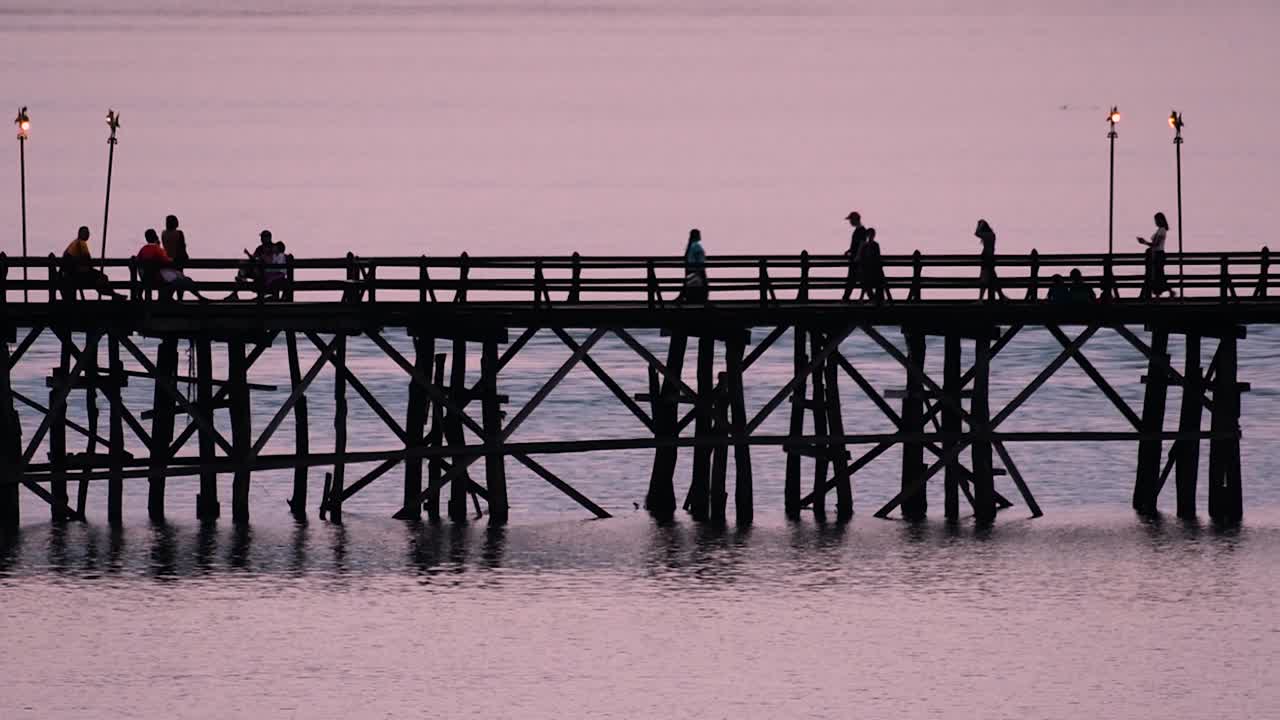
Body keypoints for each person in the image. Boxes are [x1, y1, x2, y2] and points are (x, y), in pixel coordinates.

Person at [136, 229, 207, 301]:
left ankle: (170, 299)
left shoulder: (143, 250)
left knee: (179, 280)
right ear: (156, 237)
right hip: (159, 279)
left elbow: (138, 262)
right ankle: (199, 297)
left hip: (147, 279)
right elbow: (167, 261)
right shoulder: (157, 249)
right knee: (185, 280)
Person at [60, 226, 124, 300]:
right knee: (102, 277)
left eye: (88, 233)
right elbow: (87, 258)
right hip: (75, 274)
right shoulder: (81, 242)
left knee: (98, 277)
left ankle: (112, 294)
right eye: (85, 233)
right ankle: (113, 294)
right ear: (79, 234)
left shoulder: (73, 243)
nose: (87, 235)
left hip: (70, 274)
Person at [226, 229, 275, 300]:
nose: (261, 239)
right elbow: (253, 259)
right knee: (242, 269)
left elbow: (272, 260)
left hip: (267, 273)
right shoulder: (260, 248)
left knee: (251, 271)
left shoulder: (274, 247)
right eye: (261, 237)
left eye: (262, 237)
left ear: (268, 238)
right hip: (257, 271)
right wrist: (248, 255)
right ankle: (236, 291)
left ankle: (241, 286)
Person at [1137, 212, 1172, 299]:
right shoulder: (1160, 230)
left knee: (1158, 275)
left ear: (1160, 220)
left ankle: (1167, 292)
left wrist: (1144, 242)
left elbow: (1156, 244)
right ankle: (1158, 294)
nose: (1155, 222)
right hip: (1156, 254)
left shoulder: (1162, 230)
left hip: (1158, 255)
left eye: (1156, 220)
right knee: (1157, 275)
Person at [975, 219, 1007, 301]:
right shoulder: (992, 235)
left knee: (984, 279)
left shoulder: (987, 235)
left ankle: (981, 300)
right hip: (990, 259)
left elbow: (976, 233)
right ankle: (1001, 296)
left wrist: (980, 225)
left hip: (986, 259)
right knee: (992, 279)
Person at [841, 211, 868, 301]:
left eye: (851, 220)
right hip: (855, 257)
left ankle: (845, 298)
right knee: (857, 280)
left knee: (853, 279)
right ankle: (846, 298)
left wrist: (858, 256)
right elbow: (856, 245)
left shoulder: (861, 230)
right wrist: (849, 251)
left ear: (855, 220)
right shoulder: (858, 230)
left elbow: (862, 243)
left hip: (857, 259)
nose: (850, 222)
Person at [859, 227, 888, 304]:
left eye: (872, 235)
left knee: (875, 281)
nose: (870, 236)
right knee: (868, 281)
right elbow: (862, 258)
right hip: (868, 271)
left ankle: (876, 299)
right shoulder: (865, 246)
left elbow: (877, 258)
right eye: (869, 235)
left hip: (873, 271)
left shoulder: (873, 245)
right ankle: (874, 299)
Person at [680, 228, 708, 303]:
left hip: (691, 271)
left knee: (692, 289)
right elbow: (699, 260)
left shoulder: (690, 246)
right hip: (698, 270)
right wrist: (699, 270)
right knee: (703, 289)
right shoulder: (696, 246)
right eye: (699, 234)